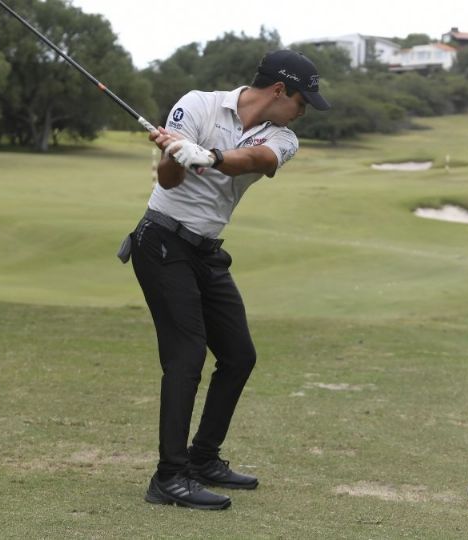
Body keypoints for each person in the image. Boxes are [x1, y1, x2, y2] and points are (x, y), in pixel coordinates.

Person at [123, 50, 329, 510]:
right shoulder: (197, 104)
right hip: (162, 242)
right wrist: (174, 152)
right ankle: (169, 477)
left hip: (207, 252)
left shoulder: (284, 137)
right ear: (279, 90)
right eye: (302, 101)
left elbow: (255, 159)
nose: (303, 111)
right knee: (187, 354)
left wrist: (209, 155)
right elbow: (170, 180)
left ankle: (201, 458)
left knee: (238, 356)